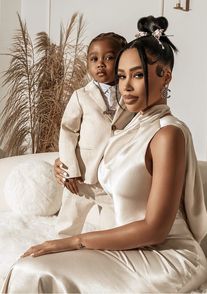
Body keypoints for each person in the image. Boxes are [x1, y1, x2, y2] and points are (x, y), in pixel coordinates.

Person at [1, 15, 207, 293]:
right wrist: (63, 165)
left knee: (35, 273)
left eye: (137, 75)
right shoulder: (129, 128)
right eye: (121, 76)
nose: (125, 86)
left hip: (164, 255)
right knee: (28, 268)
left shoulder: (168, 134)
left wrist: (74, 242)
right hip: (122, 245)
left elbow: (156, 229)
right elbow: (100, 164)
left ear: (166, 76)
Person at [55, 32, 133, 236]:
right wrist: (70, 170)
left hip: (113, 179)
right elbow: (67, 132)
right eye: (94, 58)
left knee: (112, 228)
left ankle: (103, 260)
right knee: (68, 225)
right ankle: (59, 257)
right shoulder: (81, 96)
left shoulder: (131, 96)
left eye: (109, 57)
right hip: (81, 178)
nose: (100, 64)